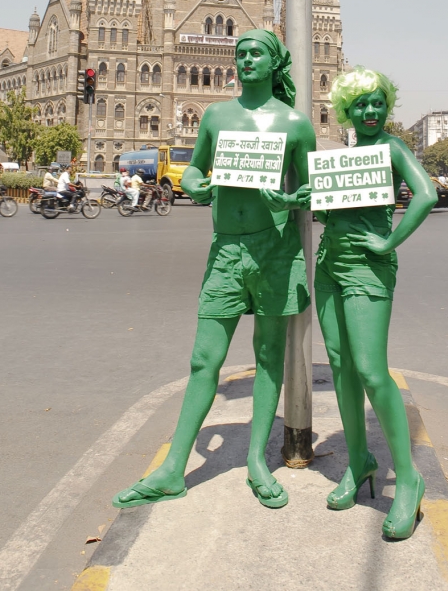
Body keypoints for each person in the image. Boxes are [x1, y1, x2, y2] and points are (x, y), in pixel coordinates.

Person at [113, 30, 314, 511]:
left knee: (268, 354)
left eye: (255, 53)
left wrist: (289, 199)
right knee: (205, 359)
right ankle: (172, 469)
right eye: (240, 53)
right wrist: (198, 186)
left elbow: (310, 192)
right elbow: (197, 170)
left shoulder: (295, 124)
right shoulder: (216, 115)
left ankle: (257, 462)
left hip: (275, 249)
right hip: (226, 248)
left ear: (274, 63)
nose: (245, 59)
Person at [314, 68, 437, 540]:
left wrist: (388, 244)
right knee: (342, 366)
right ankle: (359, 459)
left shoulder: (392, 148)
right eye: (360, 105)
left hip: (368, 267)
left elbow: (425, 196)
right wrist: (306, 200)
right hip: (328, 264)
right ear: (347, 109)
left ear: (388, 106)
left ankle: (407, 478)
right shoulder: (345, 156)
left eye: (377, 104)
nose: (369, 112)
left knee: (370, 370)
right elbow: (328, 210)